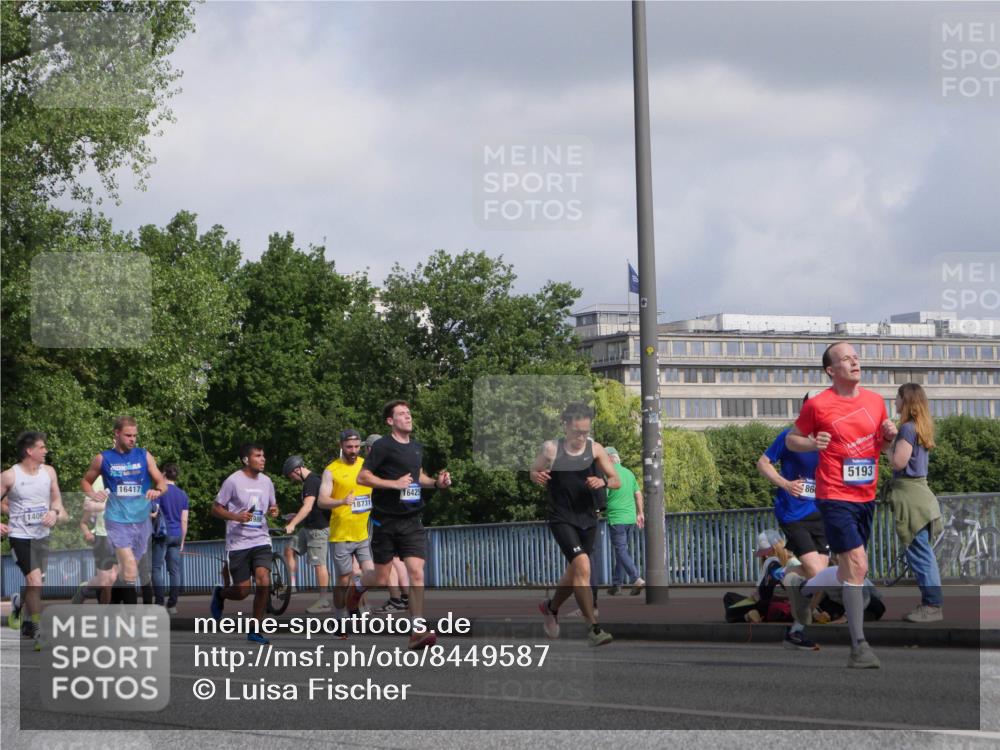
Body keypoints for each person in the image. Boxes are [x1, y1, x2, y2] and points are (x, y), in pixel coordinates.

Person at [784, 342, 897, 669]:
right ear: (831, 370)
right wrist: (810, 442)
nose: (854, 361)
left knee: (852, 569)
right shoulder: (818, 405)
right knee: (857, 563)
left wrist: (888, 434)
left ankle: (803, 590)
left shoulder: (875, 402)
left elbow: (880, 445)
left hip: (866, 495)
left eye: (856, 357)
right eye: (845, 358)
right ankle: (859, 647)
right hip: (833, 495)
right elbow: (793, 438)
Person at [355, 401, 452, 650]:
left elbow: (418, 477)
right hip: (386, 520)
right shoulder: (382, 446)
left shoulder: (416, 447)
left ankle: (416, 630)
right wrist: (393, 484)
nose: (408, 417)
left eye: (409, 413)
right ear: (390, 421)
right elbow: (363, 477)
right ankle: (358, 586)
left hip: (412, 519)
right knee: (380, 577)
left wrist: (437, 483)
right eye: (401, 414)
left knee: (416, 572)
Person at [530, 402, 619, 647]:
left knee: (576, 572)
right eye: (577, 432)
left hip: (588, 517)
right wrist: (536, 475)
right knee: (582, 564)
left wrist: (602, 482)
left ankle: (550, 607)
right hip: (561, 516)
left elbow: (616, 480)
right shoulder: (551, 448)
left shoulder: (596, 449)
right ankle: (593, 627)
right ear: (565, 426)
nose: (581, 437)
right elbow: (534, 470)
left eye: (585, 432)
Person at [81, 416, 167, 605]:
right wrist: (93, 494)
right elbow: (85, 481)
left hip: (141, 522)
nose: (132, 439)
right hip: (117, 521)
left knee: (127, 574)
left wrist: (157, 490)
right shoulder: (103, 458)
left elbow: (161, 481)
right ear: (117, 434)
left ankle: (112, 612)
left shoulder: (144, 455)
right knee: (128, 568)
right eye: (128, 435)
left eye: (135, 436)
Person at [1, 431, 69, 649]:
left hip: (42, 537)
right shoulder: (10, 476)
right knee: (35, 582)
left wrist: (54, 513)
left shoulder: (49, 472)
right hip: (20, 536)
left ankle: (18, 604)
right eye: (42, 447)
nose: (46, 451)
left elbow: (57, 499)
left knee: (37, 585)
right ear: (29, 451)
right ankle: (39, 633)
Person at [210, 443, 280, 644]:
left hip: (261, 539)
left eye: (263, 455)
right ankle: (221, 593)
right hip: (238, 542)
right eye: (258, 455)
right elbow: (215, 509)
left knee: (264, 580)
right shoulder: (233, 481)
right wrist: (235, 516)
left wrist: (274, 510)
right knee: (242, 592)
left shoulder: (267, 482)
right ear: (246, 460)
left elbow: (272, 506)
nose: (263, 459)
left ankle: (255, 630)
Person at [886, 383, 944, 623]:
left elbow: (898, 463)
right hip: (921, 496)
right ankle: (930, 603)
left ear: (906, 401)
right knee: (922, 551)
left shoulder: (907, 429)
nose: (895, 402)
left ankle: (932, 605)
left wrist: (884, 448)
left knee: (920, 552)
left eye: (897, 398)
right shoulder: (918, 428)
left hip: (910, 497)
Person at [756, 393, 829, 579]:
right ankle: (778, 575)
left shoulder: (832, 440)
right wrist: (786, 484)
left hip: (822, 513)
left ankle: (780, 578)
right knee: (816, 573)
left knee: (821, 576)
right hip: (793, 514)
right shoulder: (789, 438)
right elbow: (763, 463)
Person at [317, 429, 375, 625]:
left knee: (371, 575)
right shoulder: (331, 470)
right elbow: (322, 501)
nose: (353, 450)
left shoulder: (366, 466)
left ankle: (353, 602)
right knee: (343, 580)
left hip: (362, 533)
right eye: (349, 447)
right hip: (341, 534)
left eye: (357, 447)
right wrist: (342, 501)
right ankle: (339, 617)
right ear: (341, 446)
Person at [282, 455, 331, 613]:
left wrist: (292, 524)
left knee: (319, 564)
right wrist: (295, 515)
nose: (293, 479)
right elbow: (311, 507)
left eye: (292, 476)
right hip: (308, 527)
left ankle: (323, 601)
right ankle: (293, 586)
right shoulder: (309, 482)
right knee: (289, 549)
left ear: (297, 470)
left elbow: (309, 506)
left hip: (318, 529)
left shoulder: (312, 481)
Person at [603, 447, 645, 596]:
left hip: (616, 518)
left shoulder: (608, 474)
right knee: (622, 550)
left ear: (608, 459)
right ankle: (617, 585)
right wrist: (640, 513)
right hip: (630, 518)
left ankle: (636, 578)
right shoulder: (629, 473)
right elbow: (638, 494)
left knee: (620, 550)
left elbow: (603, 497)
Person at [73, 475, 119, 605]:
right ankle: (85, 590)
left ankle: (105, 614)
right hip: (103, 534)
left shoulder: (130, 476)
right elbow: (87, 506)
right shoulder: (99, 479)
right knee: (105, 581)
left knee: (113, 579)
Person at [151, 463, 189, 614]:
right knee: (174, 571)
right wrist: (183, 540)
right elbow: (184, 520)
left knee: (156, 568)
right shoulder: (183, 494)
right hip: (177, 535)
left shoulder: (160, 492)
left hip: (161, 535)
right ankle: (172, 605)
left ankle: (159, 602)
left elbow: (154, 513)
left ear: (164, 474)